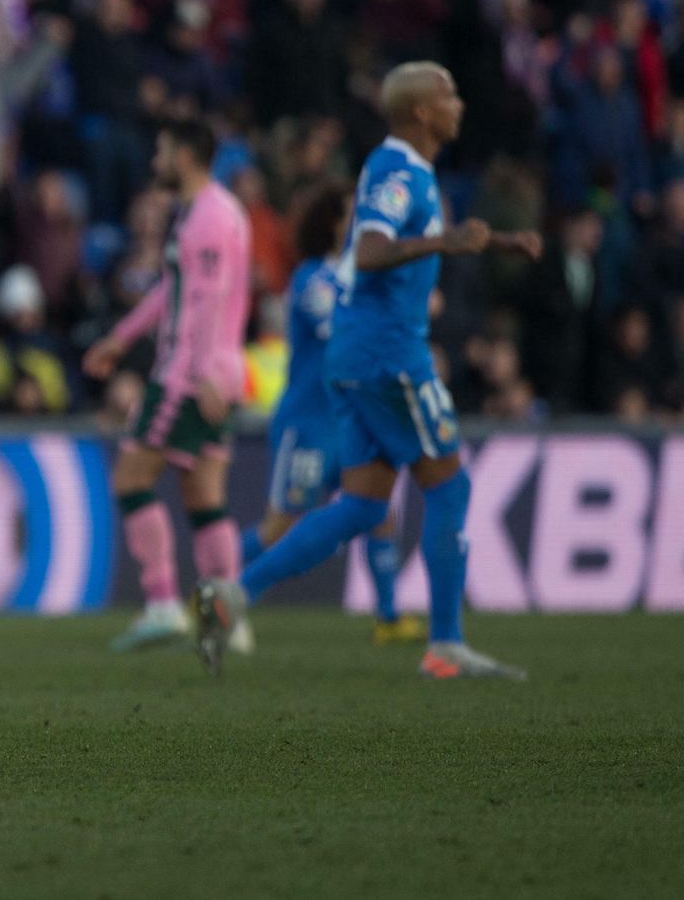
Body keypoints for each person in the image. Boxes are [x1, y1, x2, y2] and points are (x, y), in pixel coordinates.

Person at [195, 63, 541, 679]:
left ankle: (234, 594)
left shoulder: (411, 172)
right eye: (449, 94)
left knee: (360, 504)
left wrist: (498, 242)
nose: (460, 103)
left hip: (357, 357)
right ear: (421, 113)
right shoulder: (397, 170)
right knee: (449, 486)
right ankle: (446, 646)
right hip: (389, 354)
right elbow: (371, 249)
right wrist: (443, 244)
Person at [82, 121, 252, 652]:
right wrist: (120, 337)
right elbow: (172, 292)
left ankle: (161, 605)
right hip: (221, 370)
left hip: (187, 374)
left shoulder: (206, 219)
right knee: (204, 498)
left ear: (184, 155)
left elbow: (208, 299)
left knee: (131, 480)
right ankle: (228, 618)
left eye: (160, 149)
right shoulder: (214, 213)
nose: (155, 159)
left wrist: (198, 374)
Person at [238, 187, 423, 646]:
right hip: (309, 424)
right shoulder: (311, 279)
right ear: (334, 224)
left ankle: (387, 617)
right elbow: (339, 331)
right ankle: (215, 590)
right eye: (352, 215)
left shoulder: (358, 277)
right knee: (281, 525)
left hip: (350, 423)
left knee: (378, 510)